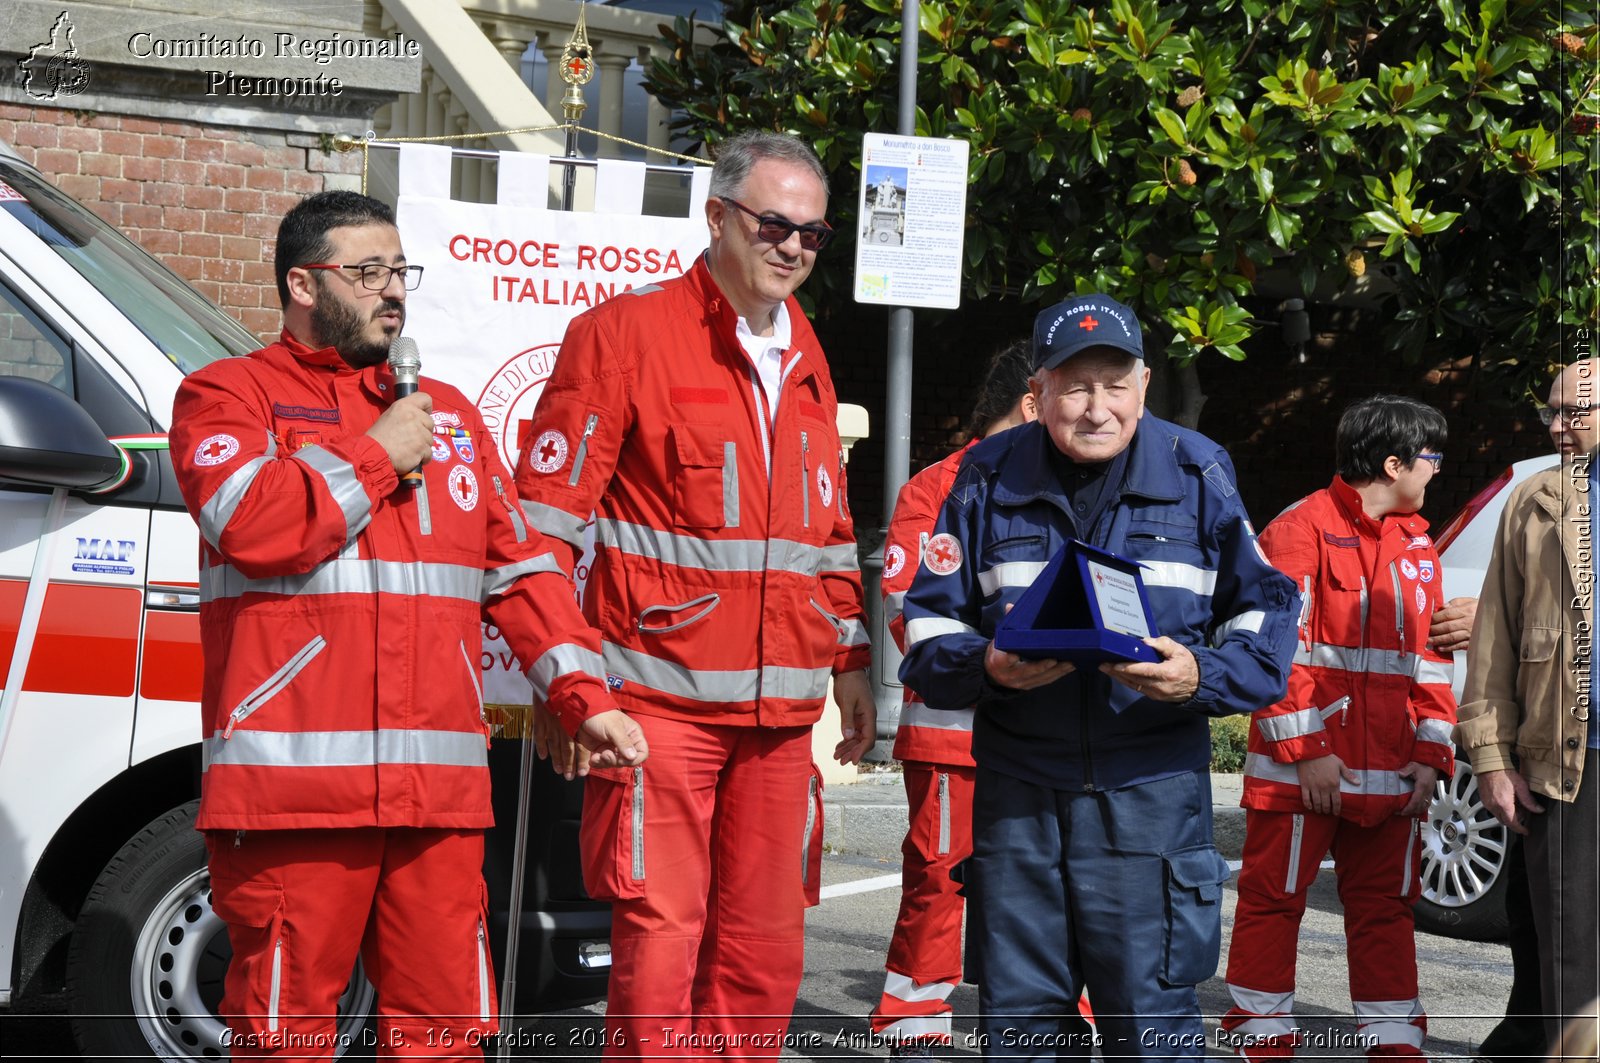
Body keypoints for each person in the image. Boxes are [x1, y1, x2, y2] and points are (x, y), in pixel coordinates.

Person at [168, 190, 646, 1059]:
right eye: (370, 272)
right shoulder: (227, 396)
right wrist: (377, 453)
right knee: (284, 1038)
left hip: (437, 800)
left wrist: (582, 692)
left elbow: (525, 571)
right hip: (293, 800)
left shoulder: (453, 417)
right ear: (303, 284)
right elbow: (252, 524)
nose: (394, 291)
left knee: (449, 1034)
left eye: (401, 272)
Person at [511, 131, 874, 1058]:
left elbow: (827, 532)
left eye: (813, 234)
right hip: (659, 707)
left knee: (764, 950)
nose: (793, 247)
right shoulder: (623, 334)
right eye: (774, 223)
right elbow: (537, 538)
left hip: (783, 717)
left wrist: (853, 663)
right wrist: (573, 688)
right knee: (660, 943)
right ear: (716, 217)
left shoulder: (807, 350)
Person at [899, 294, 1299, 1059]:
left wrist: (1199, 676)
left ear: (1144, 385)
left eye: (1114, 384)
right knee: (1020, 1030)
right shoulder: (982, 477)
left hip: (1151, 801)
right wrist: (985, 664)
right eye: (1075, 386)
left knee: (1151, 1032)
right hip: (1020, 804)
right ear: (1038, 392)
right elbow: (926, 630)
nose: (1096, 408)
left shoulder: (1198, 470)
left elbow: (1266, 616)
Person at [1221, 395, 1457, 1059]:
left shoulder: (1418, 548)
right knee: (1273, 902)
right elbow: (1267, 652)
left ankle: (1393, 1043)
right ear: (1392, 463)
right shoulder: (1298, 531)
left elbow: (1432, 666)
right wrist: (1308, 753)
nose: (1437, 471)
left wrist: (1431, 756)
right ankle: (1261, 1038)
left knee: (1387, 909)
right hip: (1303, 775)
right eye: (1431, 458)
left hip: (1392, 775)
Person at [870, 340, 1040, 1054]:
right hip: (954, 727)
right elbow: (906, 608)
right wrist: (1000, 661)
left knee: (1047, 877)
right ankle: (913, 1015)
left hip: (1045, 730)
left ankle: (1053, 1012)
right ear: (1033, 401)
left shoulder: (1069, 485)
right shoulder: (936, 487)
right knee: (939, 872)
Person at [1458, 358, 1600, 1051]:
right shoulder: (1535, 501)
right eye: (1551, 409)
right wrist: (1491, 758)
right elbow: (1493, 642)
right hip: (1568, 771)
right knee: (1569, 961)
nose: (1555, 424)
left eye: (1574, 411)